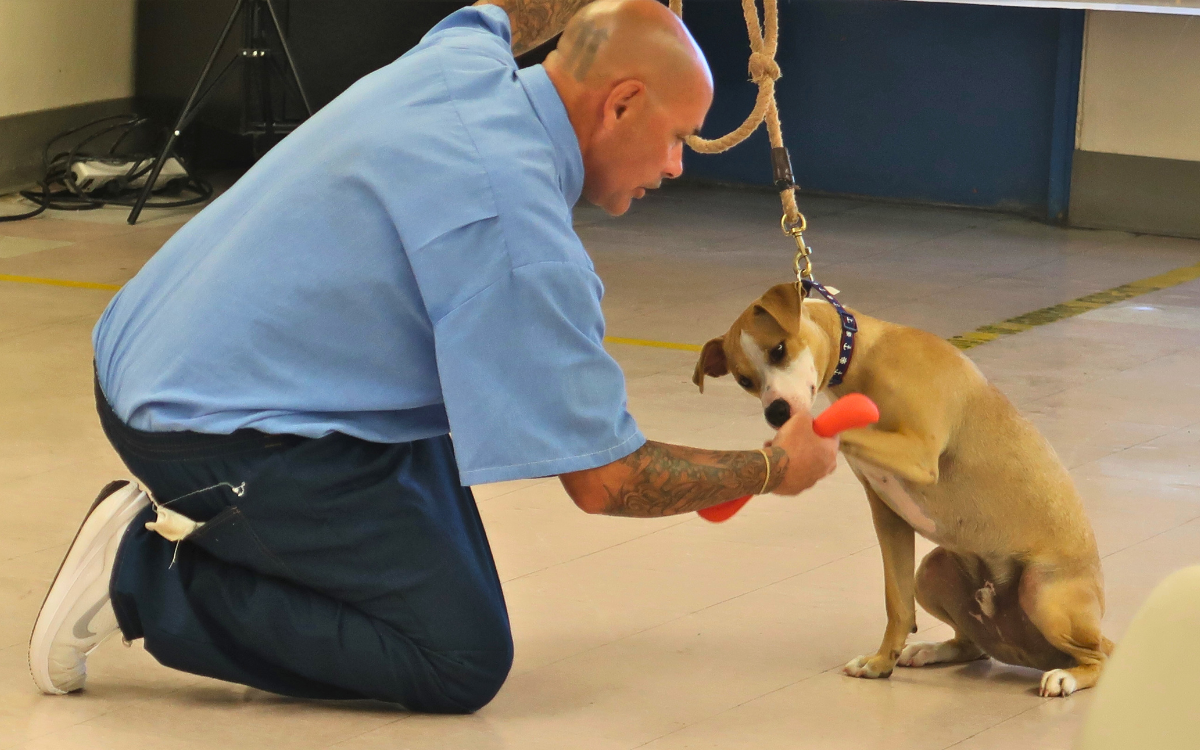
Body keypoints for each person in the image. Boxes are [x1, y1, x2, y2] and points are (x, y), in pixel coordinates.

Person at [29, 0, 839, 713]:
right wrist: (771, 469)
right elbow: (607, 479)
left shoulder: (465, 58)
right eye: (674, 139)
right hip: (202, 422)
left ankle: (254, 543)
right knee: (457, 657)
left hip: (151, 340)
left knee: (458, 599)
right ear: (622, 104)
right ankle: (139, 575)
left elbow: (519, 8)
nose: (673, 166)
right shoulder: (521, 237)